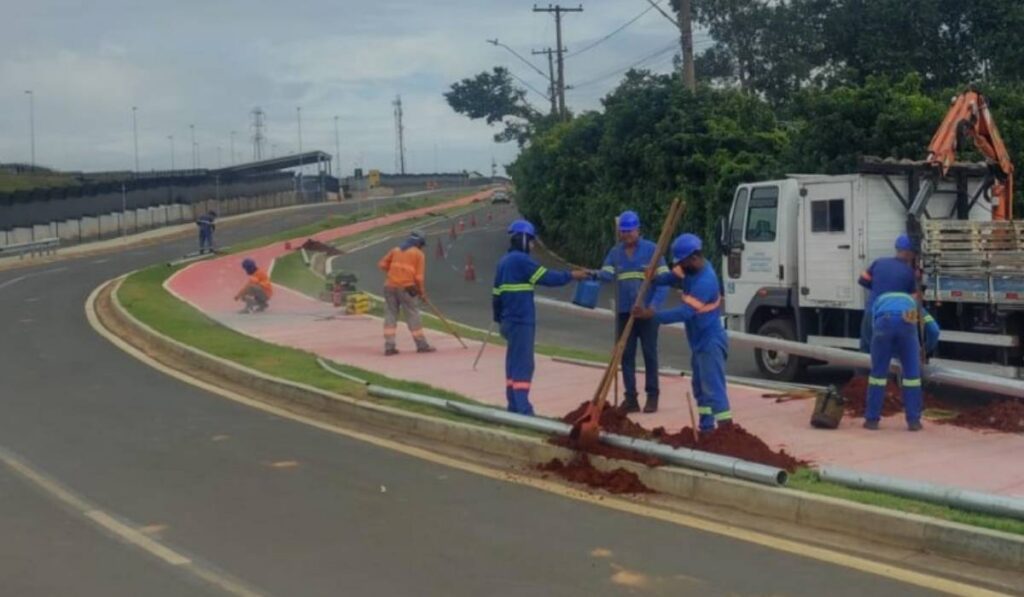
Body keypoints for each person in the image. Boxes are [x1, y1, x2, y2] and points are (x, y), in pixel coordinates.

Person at [632, 233, 732, 433]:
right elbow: (671, 277)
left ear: (693, 258)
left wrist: (652, 316)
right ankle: (706, 429)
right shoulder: (690, 268)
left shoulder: (706, 282)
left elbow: (685, 312)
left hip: (710, 340)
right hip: (697, 340)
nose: (679, 266)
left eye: (681, 262)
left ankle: (726, 432)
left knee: (713, 387)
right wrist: (654, 279)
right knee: (700, 387)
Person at [493, 220, 589, 415]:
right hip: (521, 320)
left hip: (508, 321)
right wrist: (572, 275)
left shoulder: (503, 261)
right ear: (522, 239)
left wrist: (499, 319)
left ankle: (513, 404)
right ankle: (523, 408)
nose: (532, 245)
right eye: (531, 241)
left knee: (512, 363)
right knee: (523, 364)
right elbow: (547, 277)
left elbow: (496, 295)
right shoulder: (521, 261)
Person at [597, 210, 669, 413]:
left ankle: (652, 396)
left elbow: (664, 283)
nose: (626, 235)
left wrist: (652, 308)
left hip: (646, 314)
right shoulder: (615, 253)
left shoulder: (652, 251)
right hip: (624, 312)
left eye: (630, 231)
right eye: (623, 232)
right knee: (625, 355)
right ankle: (631, 398)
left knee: (649, 354)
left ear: (638, 230)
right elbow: (606, 274)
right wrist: (591, 275)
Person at [864, 291, 940, 431]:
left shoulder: (879, 300)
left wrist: (879, 350)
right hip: (907, 324)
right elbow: (934, 330)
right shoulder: (914, 306)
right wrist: (925, 349)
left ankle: (871, 420)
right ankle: (913, 421)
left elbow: (870, 329)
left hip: (883, 324)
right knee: (912, 378)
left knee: (877, 377)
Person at [858, 234, 919, 353]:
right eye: (913, 253)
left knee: (865, 350)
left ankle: (861, 371)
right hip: (894, 317)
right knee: (891, 353)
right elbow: (912, 301)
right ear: (909, 253)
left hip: (872, 311)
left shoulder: (879, 262)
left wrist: (877, 288)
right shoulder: (909, 273)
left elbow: (862, 280)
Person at [378, 230, 434, 356]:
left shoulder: (396, 250)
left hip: (389, 286)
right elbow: (419, 278)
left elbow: (382, 264)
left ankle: (389, 346)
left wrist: (393, 273)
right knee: (413, 315)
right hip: (407, 288)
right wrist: (422, 293)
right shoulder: (418, 254)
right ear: (419, 243)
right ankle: (421, 345)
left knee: (390, 314)